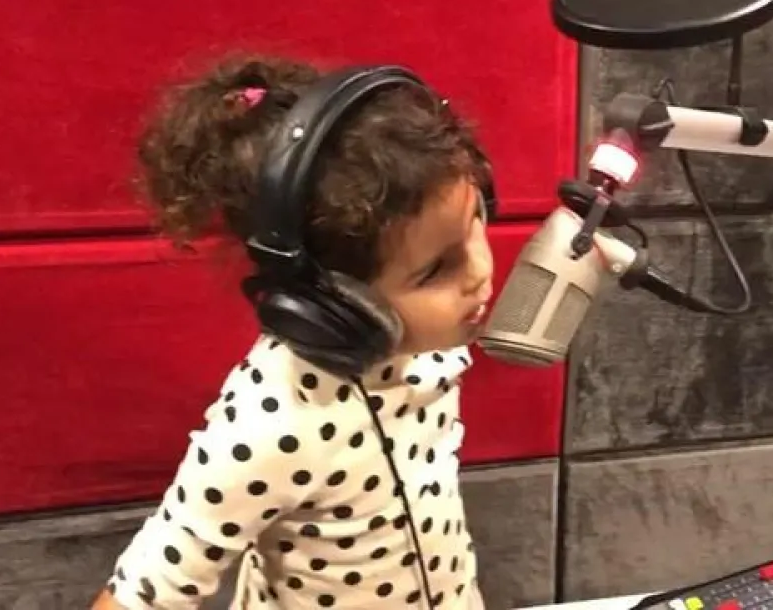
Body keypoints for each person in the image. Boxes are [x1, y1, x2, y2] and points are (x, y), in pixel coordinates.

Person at [91, 54, 495, 609]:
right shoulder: (274, 421)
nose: (480, 272)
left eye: (479, 219)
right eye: (436, 270)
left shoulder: (432, 348)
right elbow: (148, 589)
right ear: (331, 301)